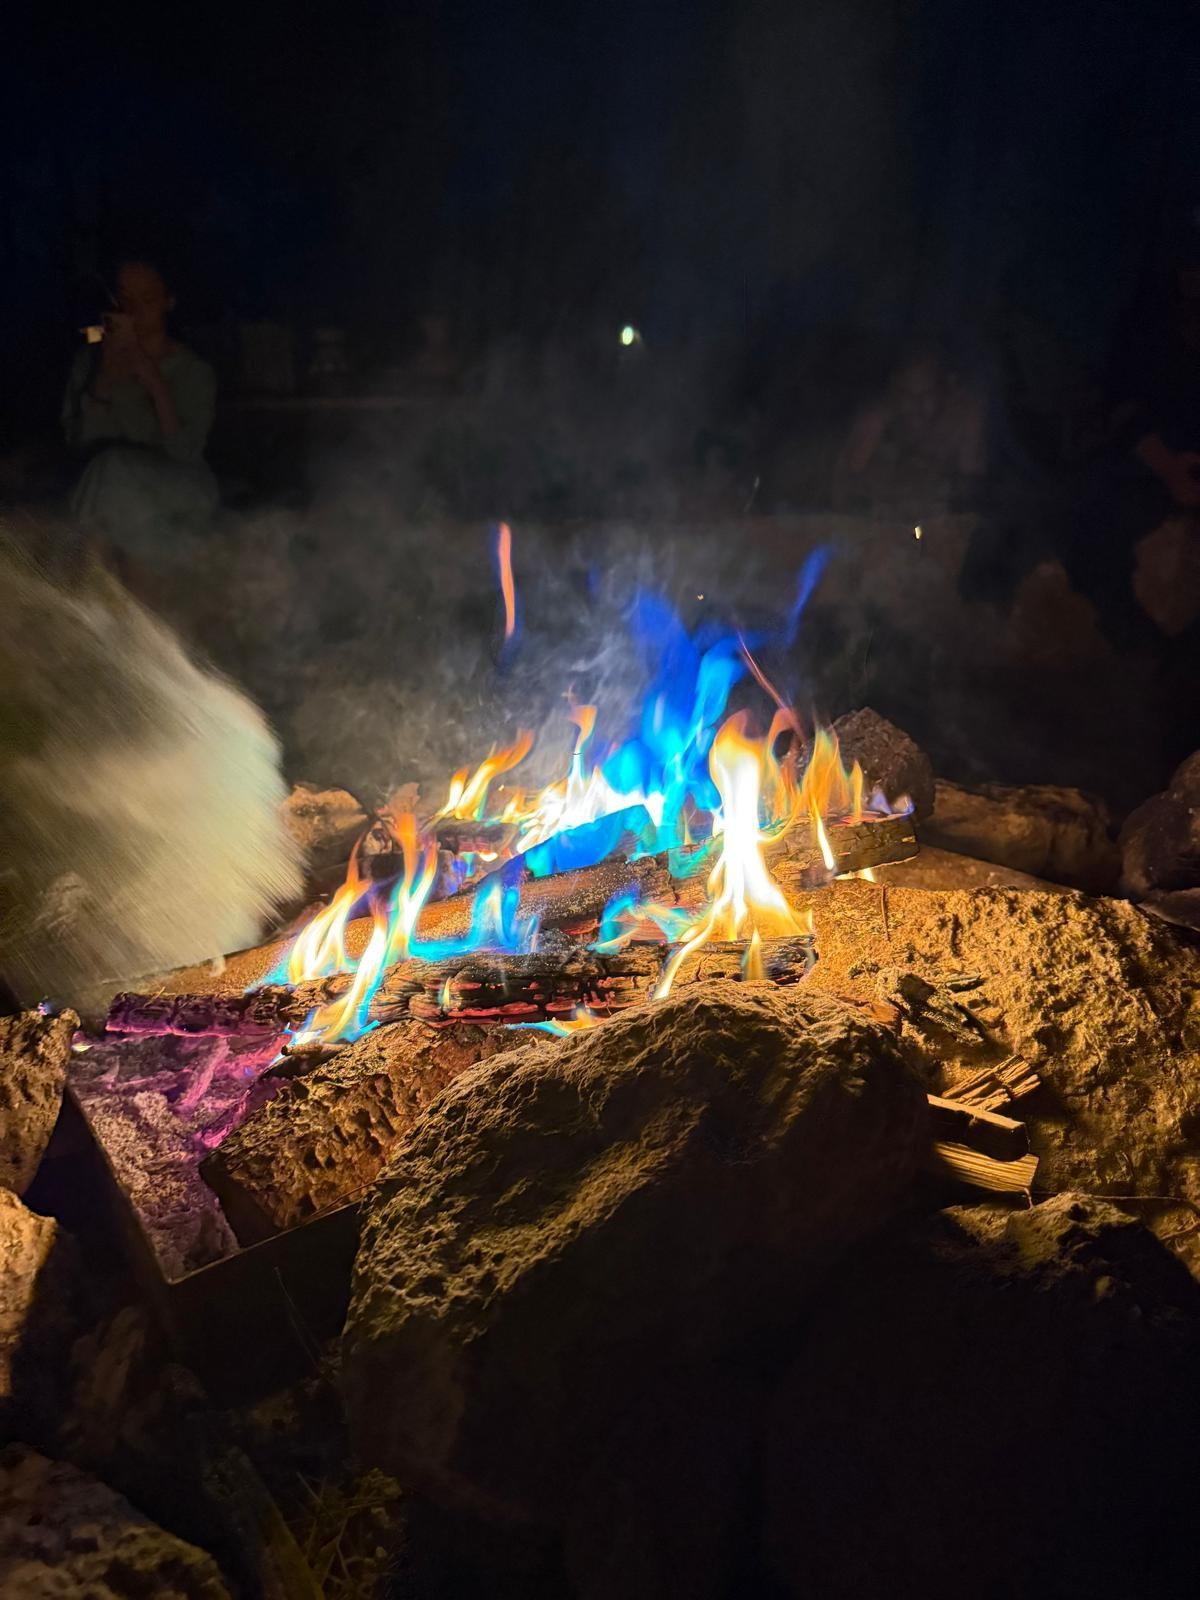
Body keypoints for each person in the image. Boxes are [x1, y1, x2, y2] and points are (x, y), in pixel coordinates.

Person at [62, 258, 219, 569]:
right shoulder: (90, 362)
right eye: (124, 298)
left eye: (146, 299)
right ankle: (105, 585)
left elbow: (185, 452)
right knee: (114, 479)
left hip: (179, 484)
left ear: (168, 302)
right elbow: (80, 443)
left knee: (115, 471)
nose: (133, 310)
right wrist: (105, 377)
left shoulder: (193, 371)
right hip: (108, 487)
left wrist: (154, 382)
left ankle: (84, 579)